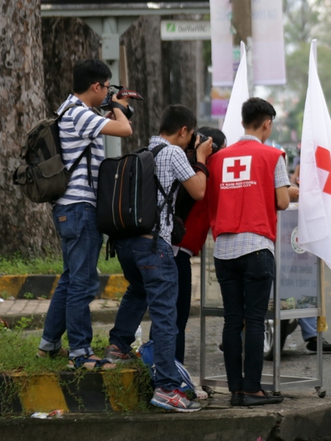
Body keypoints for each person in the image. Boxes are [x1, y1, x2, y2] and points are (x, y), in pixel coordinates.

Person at [106, 104, 212, 412]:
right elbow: (199, 191)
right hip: (155, 245)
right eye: (191, 135)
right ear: (183, 131)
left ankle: (118, 346)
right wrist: (202, 159)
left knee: (138, 290)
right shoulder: (174, 153)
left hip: (127, 244)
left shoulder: (145, 150)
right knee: (166, 318)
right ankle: (166, 388)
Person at [37, 59, 133, 367]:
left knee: (70, 278)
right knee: (83, 282)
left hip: (70, 209)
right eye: (106, 87)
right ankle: (80, 352)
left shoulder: (71, 111)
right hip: (79, 209)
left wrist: (111, 109)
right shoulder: (79, 113)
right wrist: (119, 107)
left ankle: (49, 344)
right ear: (96, 86)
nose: (107, 92)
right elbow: (125, 129)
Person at [207, 97, 289, 407]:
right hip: (256, 246)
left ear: (243, 122)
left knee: (232, 321)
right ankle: (253, 388)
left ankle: (235, 389)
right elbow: (282, 202)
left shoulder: (218, 159)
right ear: (267, 123)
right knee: (255, 321)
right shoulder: (272, 156)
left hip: (224, 249)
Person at [173, 126, 226, 364]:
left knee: (169, 317)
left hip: (174, 250)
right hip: (176, 251)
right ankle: (173, 378)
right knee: (176, 319)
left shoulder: (185, 165)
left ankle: (163, 374)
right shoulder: (201, 172)